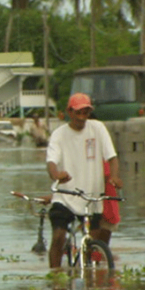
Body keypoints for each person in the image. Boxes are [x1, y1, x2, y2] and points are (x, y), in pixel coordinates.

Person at [46, 92, 122, 269]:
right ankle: (55, 276)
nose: (82, 117)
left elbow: (112, 157)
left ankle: (89, 274)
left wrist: (114, 177)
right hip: (65, 196)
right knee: (58, 236)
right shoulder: (59, 134)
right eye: (78, 112)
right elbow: (51, 162)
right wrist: (56, 174)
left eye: (85, 112)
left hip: (91, 198)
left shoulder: (97, 128)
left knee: (92, 242)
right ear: (69, 112)